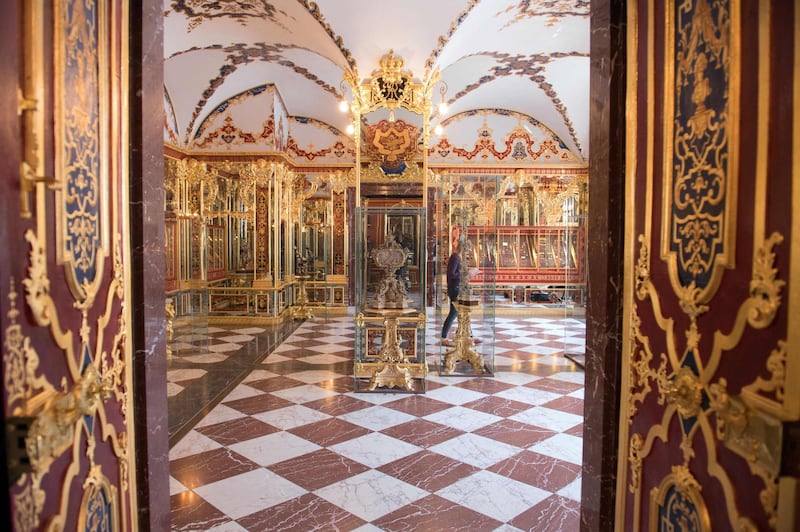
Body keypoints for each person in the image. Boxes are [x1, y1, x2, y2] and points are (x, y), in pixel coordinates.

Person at [441, 242, 462, 342]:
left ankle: (468, 335)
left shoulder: (456, 257)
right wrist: (463, 274)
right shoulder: (455, 258)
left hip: (456, 287)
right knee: (454, 312)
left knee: (461, 312)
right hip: (454, 288)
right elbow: (452, 274)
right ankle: (443, 336)